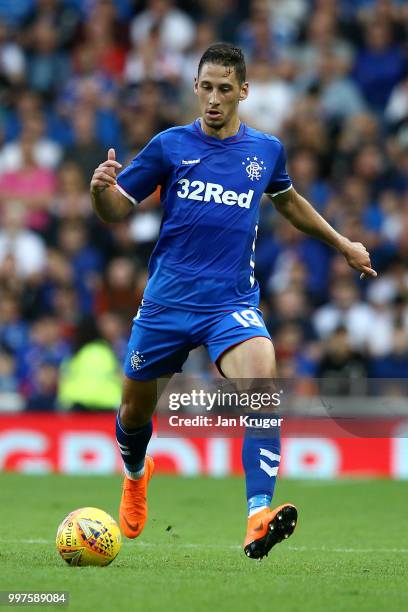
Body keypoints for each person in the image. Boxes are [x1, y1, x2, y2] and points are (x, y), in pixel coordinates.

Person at [90, 43, 376, 560]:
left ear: (244, 91)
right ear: (195, 88)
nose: (214, 99)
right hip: (166, 304)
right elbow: (114, 211)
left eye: (225, 89)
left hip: (230, 304)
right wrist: (99, 191)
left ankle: (257, 515)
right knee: (134, 415)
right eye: (206, 87)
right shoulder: (168, 146)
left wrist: (343, 243)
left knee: (263, 382)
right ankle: (136, 474)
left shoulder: (265, 150)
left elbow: (288, 201)